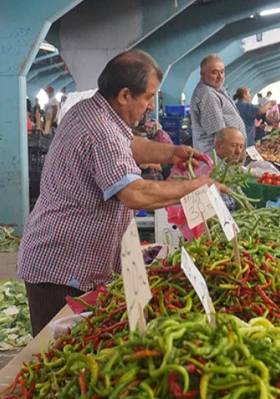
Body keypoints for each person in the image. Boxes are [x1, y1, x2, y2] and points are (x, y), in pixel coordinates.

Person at [16, 49, 229, 336]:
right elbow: (133, 194)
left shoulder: (93, 111)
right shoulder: (101, 130)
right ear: (125, 95)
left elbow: (129, 146)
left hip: (72, 259)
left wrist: (172, 153)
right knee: (55, 358)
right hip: (63, 267)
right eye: (148, 97)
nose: (152, 106)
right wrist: (194, 187)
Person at [190, 54, 246, 154]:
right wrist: (240, 154)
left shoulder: (216, 90)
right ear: (202, 74)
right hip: (218, 160)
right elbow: (221, 136)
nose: (220, 76)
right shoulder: (208, 95)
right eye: (214, 72)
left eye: (222, 72)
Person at [214, 127, 246, 212]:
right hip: (224, 221)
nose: (238, 151)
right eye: (234, 145)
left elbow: (242, 202)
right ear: (218, 146)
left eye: (241, 146)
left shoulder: (231, 167)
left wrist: (256, 215)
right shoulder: (212, 168)